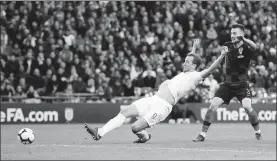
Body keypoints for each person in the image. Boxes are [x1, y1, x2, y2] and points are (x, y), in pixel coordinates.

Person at [84, 39, 228, 143]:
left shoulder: (196, 76)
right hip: (153, 99)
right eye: (185, 60)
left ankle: (145, 136)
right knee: (125, 111)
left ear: (194, 66)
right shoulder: (186, 72)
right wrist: (194, 47)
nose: (184, 63)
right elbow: (192, 58)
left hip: (162, 107)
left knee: (135, 128)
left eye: (187, 62)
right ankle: (100, 133)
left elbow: (211, 69)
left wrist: (222, 55)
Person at [193, 24, 262, 142]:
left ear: (241, 34)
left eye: (235, 33)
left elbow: (255, 47)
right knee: (213, 106)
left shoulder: (247, 47)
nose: (232, 35)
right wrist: (222, 54)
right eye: (231, 33)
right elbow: (224, 57)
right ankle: (202, 134)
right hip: (228, 84)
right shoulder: (227, 45)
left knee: (247, 106)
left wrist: (243, 39)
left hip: (242, 84)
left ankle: (257, 131)